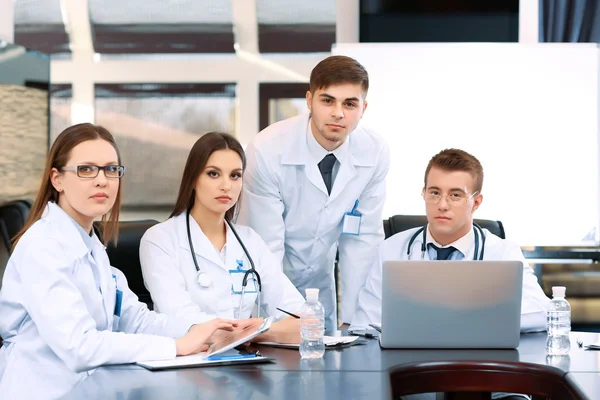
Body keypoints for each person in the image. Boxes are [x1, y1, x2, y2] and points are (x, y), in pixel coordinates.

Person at [0, 124, 237, 399]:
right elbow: (80, 346)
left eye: (111, 169)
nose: (102, 180)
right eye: (86, 169)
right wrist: (177, 346)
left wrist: (205, 330)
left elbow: (135, 319)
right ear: (57, 179)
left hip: (89, 389)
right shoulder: (43, 246)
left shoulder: (92, 246)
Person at [238, 55, 390, 330]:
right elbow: (266, 249)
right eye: (327, 100)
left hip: (321, 289)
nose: (338, 113)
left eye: (350, 104)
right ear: (309, 101)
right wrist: (293, 322)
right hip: (268, 288)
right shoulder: (267, 149)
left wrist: (357, 324)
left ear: (364, 108)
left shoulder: (374, 152)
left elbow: (362, 242)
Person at [351, 148, 550, 333]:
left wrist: (462, 319)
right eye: (435, 193)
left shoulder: (503, 253)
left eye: (456, 195)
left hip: (474, 362)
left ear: (476, 203)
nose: (442, 205)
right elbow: (365, 323)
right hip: (405, 363)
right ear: (424, 193)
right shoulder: (391, 249)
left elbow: (543, 312)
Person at [140, 132, 305, 344]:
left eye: (235, 175)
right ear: (193, 179)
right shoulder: (160, 239)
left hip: (247, 366)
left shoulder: (250, 241)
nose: (226, 185)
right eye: (213, 174)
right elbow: (183, 322)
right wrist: (257, 329)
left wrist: (258, 333)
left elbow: (304, 321)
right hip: (187, 368)